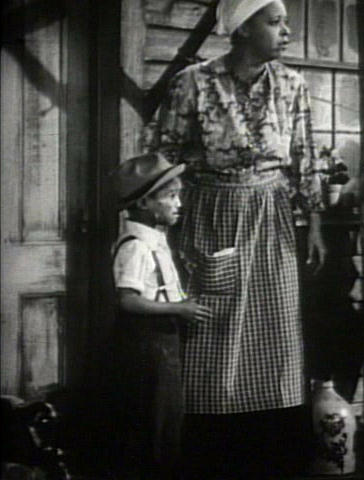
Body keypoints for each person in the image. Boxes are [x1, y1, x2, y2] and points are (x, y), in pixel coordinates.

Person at [144, 0, 327, 477]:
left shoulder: (292, 85)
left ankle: (276, 454)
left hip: (272, 216)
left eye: (286, 22)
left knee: (277, 334)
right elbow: (161, 156)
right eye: (274, 22)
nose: (286, 31)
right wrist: (165, 228)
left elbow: (305, 157)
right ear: (242, 30)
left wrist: (316, 226)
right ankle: (212, 455)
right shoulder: (194, 82)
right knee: (213, 333)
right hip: (209, 215)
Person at [111, 152, 212, 479]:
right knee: (153, 421)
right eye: (170, 196)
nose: (178, 203)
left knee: (169, 418)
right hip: (147, 344)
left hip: (164, 342)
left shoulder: (156, 241)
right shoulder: (135, 246)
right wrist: (177, 308)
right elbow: (127, 301)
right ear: (144, 204)